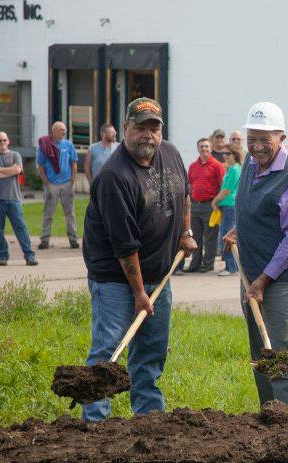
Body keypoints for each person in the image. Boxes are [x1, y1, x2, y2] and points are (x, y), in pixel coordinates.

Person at [81, 98, 196, 421]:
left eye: (154, 128)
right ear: (126, 129)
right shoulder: (114, 178)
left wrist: (186, 232)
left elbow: (185, 193)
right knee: (109, 350)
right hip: (116, 280)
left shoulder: (170, 153)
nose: (148, 135)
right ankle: (95, 421)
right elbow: (124, 246)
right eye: (140, 128)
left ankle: (148, 417)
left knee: (151, 349)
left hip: (159, 274)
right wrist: (138, 293)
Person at [223, 101, 288, 407]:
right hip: (250, 272)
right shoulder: (250, 163)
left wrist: (263, 280)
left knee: (279, 351)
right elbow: (251, 205)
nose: (258, 146)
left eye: (266, 139)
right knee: (259, 351)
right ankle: (268, 415)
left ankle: (286, 421)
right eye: (253, 139)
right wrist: (240, 229)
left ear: (282, 138)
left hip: (278, 280)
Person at [0, 132, 38, 266]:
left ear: (8, 141)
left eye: (4, 140)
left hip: (13, 199)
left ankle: (29, 255)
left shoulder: (15, 155)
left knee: (21, 227)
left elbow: (17, 170)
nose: (2, 143)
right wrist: (9, 171)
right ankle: (2, 255)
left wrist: (0, 170)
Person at [37, 121, 79, 249]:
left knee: (70, 213)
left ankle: (73, 239)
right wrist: (47, 183)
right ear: (53, 131)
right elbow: (41, 166)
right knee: (48, 213)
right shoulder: (45, 145)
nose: (64, 132)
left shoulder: (68, 145)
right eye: (61, 130)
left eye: (64, 130)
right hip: (52, 184)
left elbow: (74, 163)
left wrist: (72, 180)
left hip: (66, 183)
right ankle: (45, 239)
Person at [186, 138, 226, 273]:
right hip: (195, 206)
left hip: (210, 205)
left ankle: (208, 264)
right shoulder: (193, 166)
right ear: (198, 149)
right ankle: (195, 264)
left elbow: (223, 186)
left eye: (207, 147)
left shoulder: (217, 165)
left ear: (211, 148)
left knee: (210, 238)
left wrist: (217, 203)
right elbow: (190, 185)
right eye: (201, 147)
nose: (204, 149)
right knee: (195, 237)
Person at [212, 143, 243, 276]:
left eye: (228, 153)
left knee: (227, 235)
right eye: (223, 153)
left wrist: (215, 200)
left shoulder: (235, 169)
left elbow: (227, 190)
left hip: (230, 204)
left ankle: (231, 267)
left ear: (235, 155)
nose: (224, 156)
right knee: (226, 233)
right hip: (228, 205)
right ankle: (231, 265)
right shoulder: (231, 169)